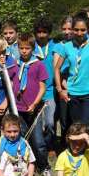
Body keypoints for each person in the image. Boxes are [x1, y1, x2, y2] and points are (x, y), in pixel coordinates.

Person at [54, 12, 89, 127]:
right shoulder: (67, 46)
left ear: (88, 29)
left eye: (83, 30)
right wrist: (59, 90)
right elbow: (57, 68)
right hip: (73, 93)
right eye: (76, 29)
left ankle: (88, 145)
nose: (79, 33)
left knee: (85, 126)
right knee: (76, 126)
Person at [13, 33, 51, 176]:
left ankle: (44, 166)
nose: (24, 51)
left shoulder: (38, 65)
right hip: (18, 108)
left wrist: (35, 104)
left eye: (27, 48)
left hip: (34, 108)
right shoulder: (15, 64)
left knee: (38, 141)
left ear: (32, 48)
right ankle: (25, 166)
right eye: (21, 48)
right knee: (21, 139)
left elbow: (42, 87)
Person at [33, 17, 58, 158]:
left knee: (50, 122)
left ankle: (50, 145)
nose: (41, 35)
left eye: (45, 32)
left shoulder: (56, 46)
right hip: (34, 91)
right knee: (35, 122)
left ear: (49, 33)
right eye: (39, 32)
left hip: (49, 91)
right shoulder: (31, 46)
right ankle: (37, 146)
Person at [53, 15, 73, 147]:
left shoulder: (80, 45)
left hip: (78, 87)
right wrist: (62, 86)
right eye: (64, 29)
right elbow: (57, 69)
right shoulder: (59, 46)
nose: (66, 32)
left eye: (69, 29)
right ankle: (64, 147)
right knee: (64, 120)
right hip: (64, 88)